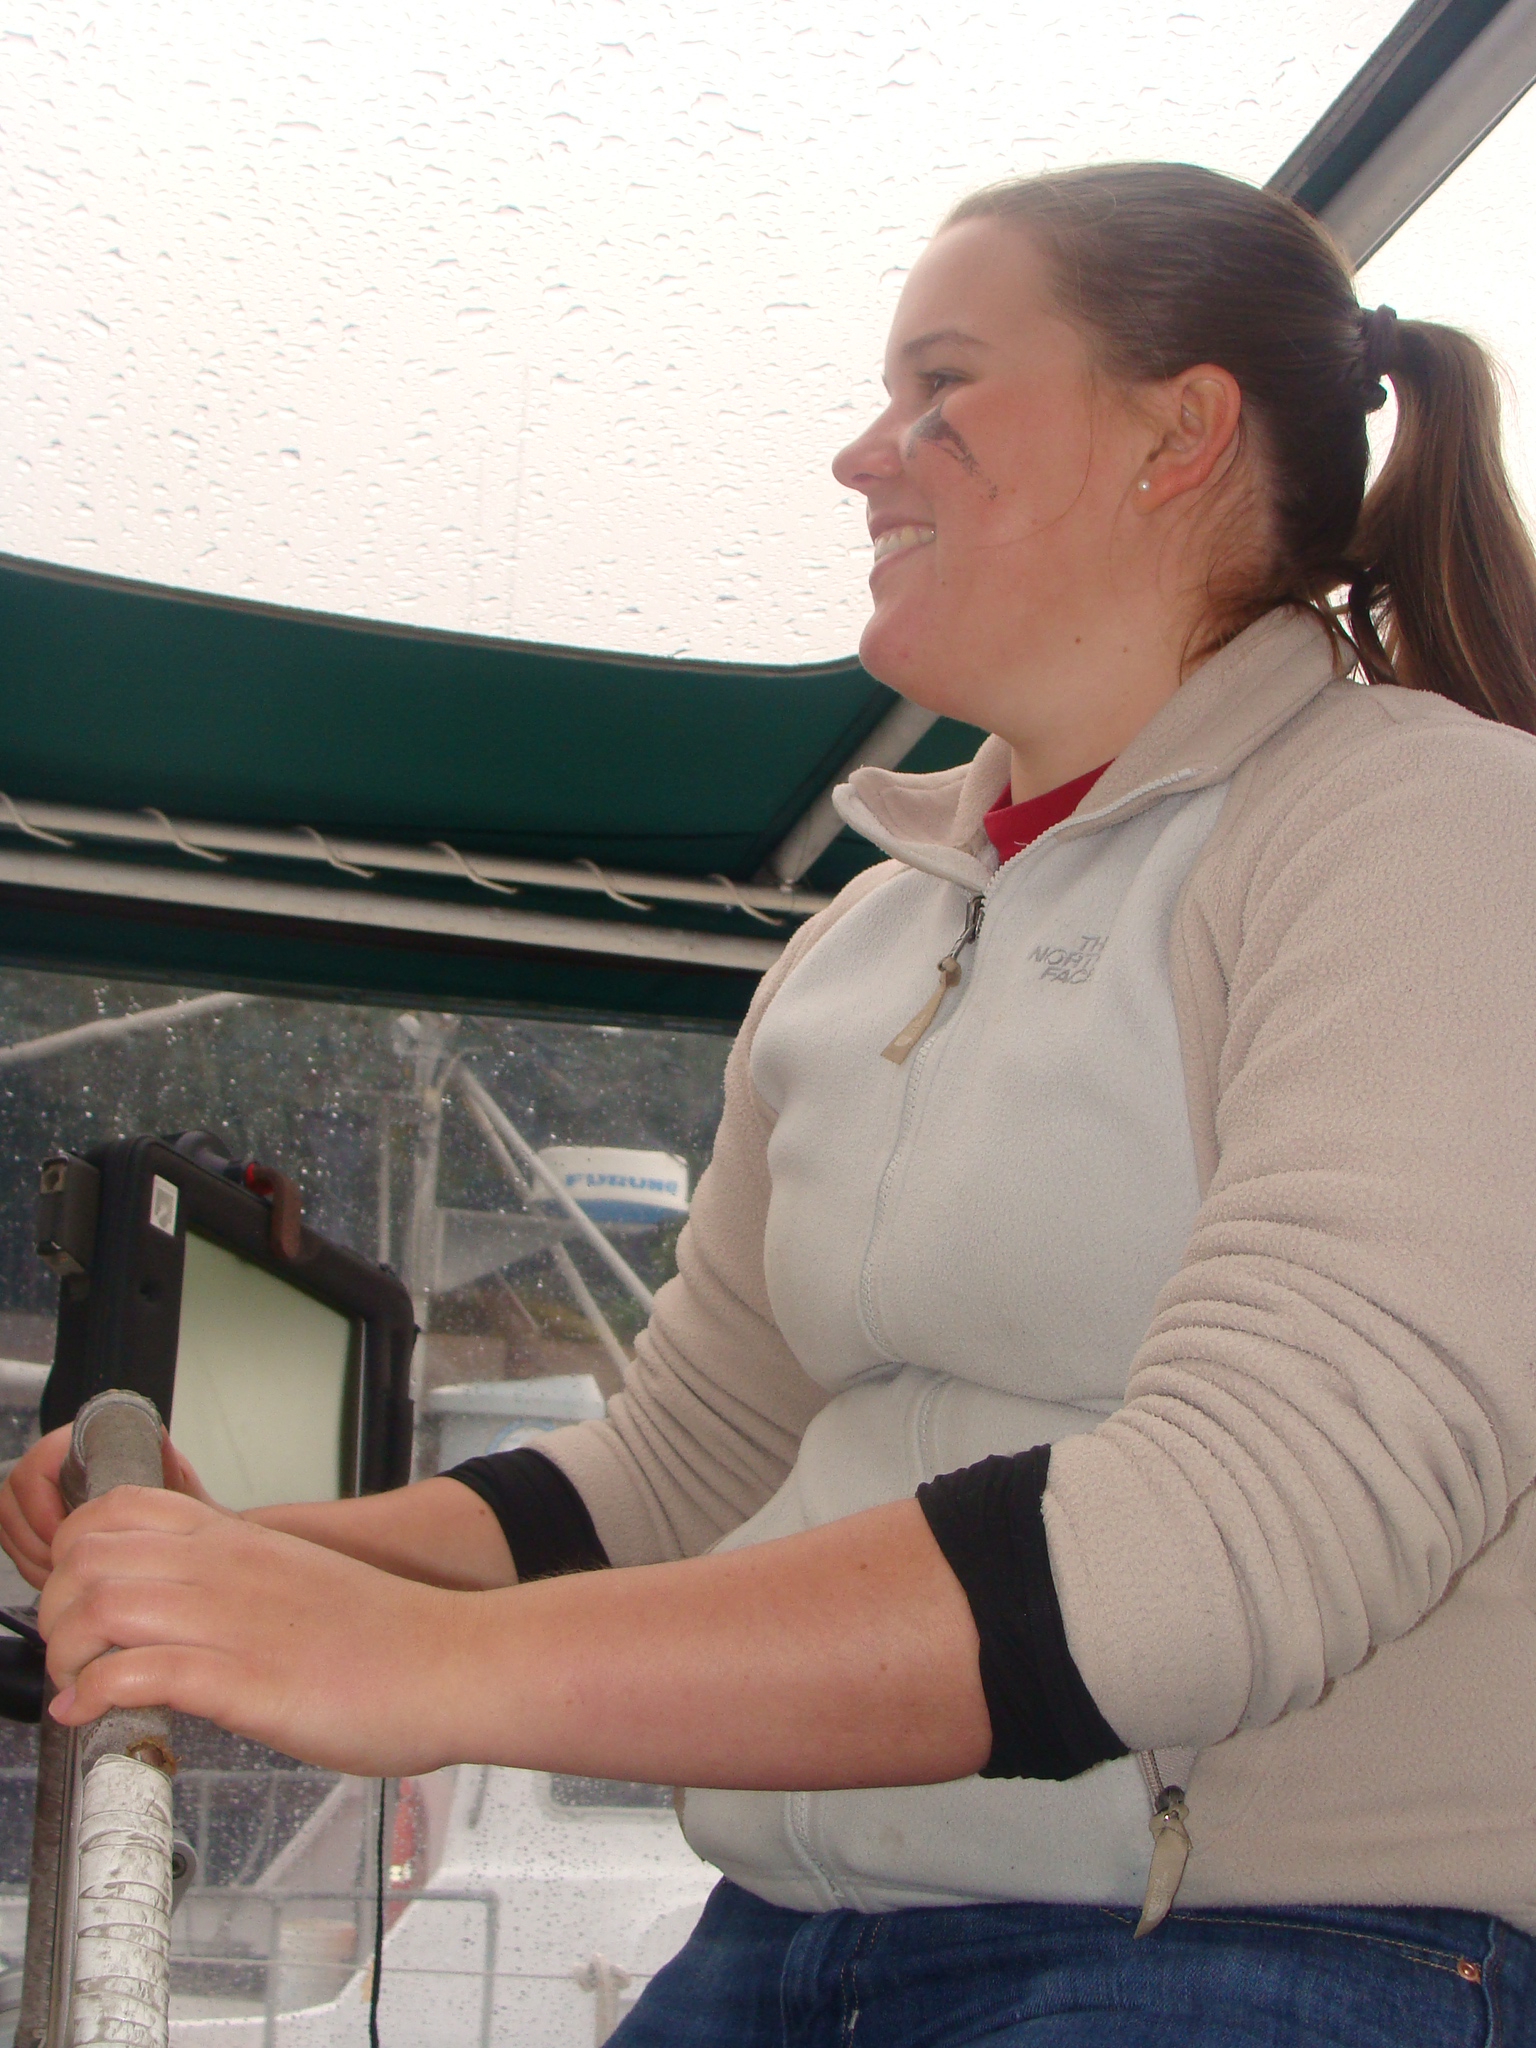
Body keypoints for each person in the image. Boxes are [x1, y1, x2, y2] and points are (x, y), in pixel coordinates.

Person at [6, 161, 1536, 2045]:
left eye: (941, 390)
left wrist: (435, 1666)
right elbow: (681, 1473)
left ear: (1180, 434)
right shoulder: (862, 945)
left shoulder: (1436, 834)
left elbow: (1239, 1525)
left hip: (1281, 1946)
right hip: (785, 1944)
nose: (862, 459)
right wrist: (256, 1562)